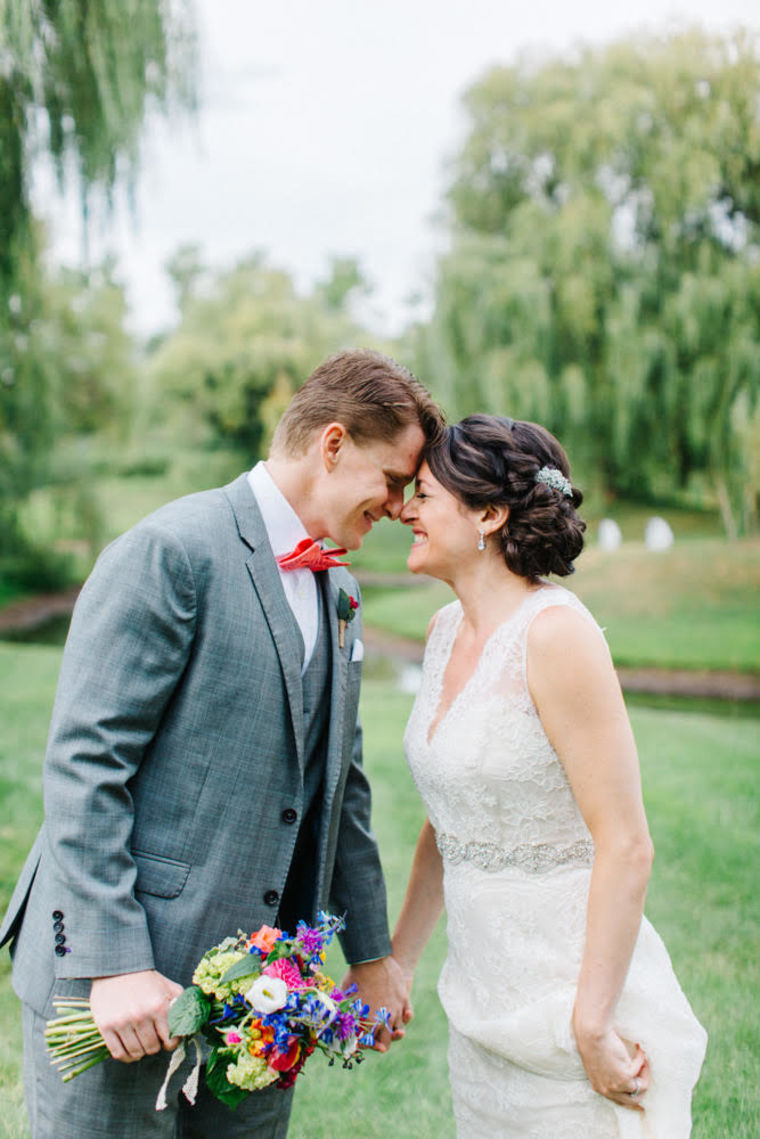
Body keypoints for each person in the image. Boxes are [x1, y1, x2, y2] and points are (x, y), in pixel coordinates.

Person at [0, 349, 443, 1139]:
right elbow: (84, 763)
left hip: (267, 1003)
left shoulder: (339, 589)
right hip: (124, 989)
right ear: (332, 444)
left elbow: (342, 785)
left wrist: (372, 954)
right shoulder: (173, 550)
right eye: (394, 478)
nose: (402, 504)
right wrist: (113, 963)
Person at [391, 415, 707, 1138]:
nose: (405, 508)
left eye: (425, 494)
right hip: (481, 999)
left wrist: (592, 1022)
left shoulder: (556, 634)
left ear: (490, 515)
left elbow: (627, 843)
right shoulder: (442, 633)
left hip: (567, 993)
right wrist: (400, 961)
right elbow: (448, 820)